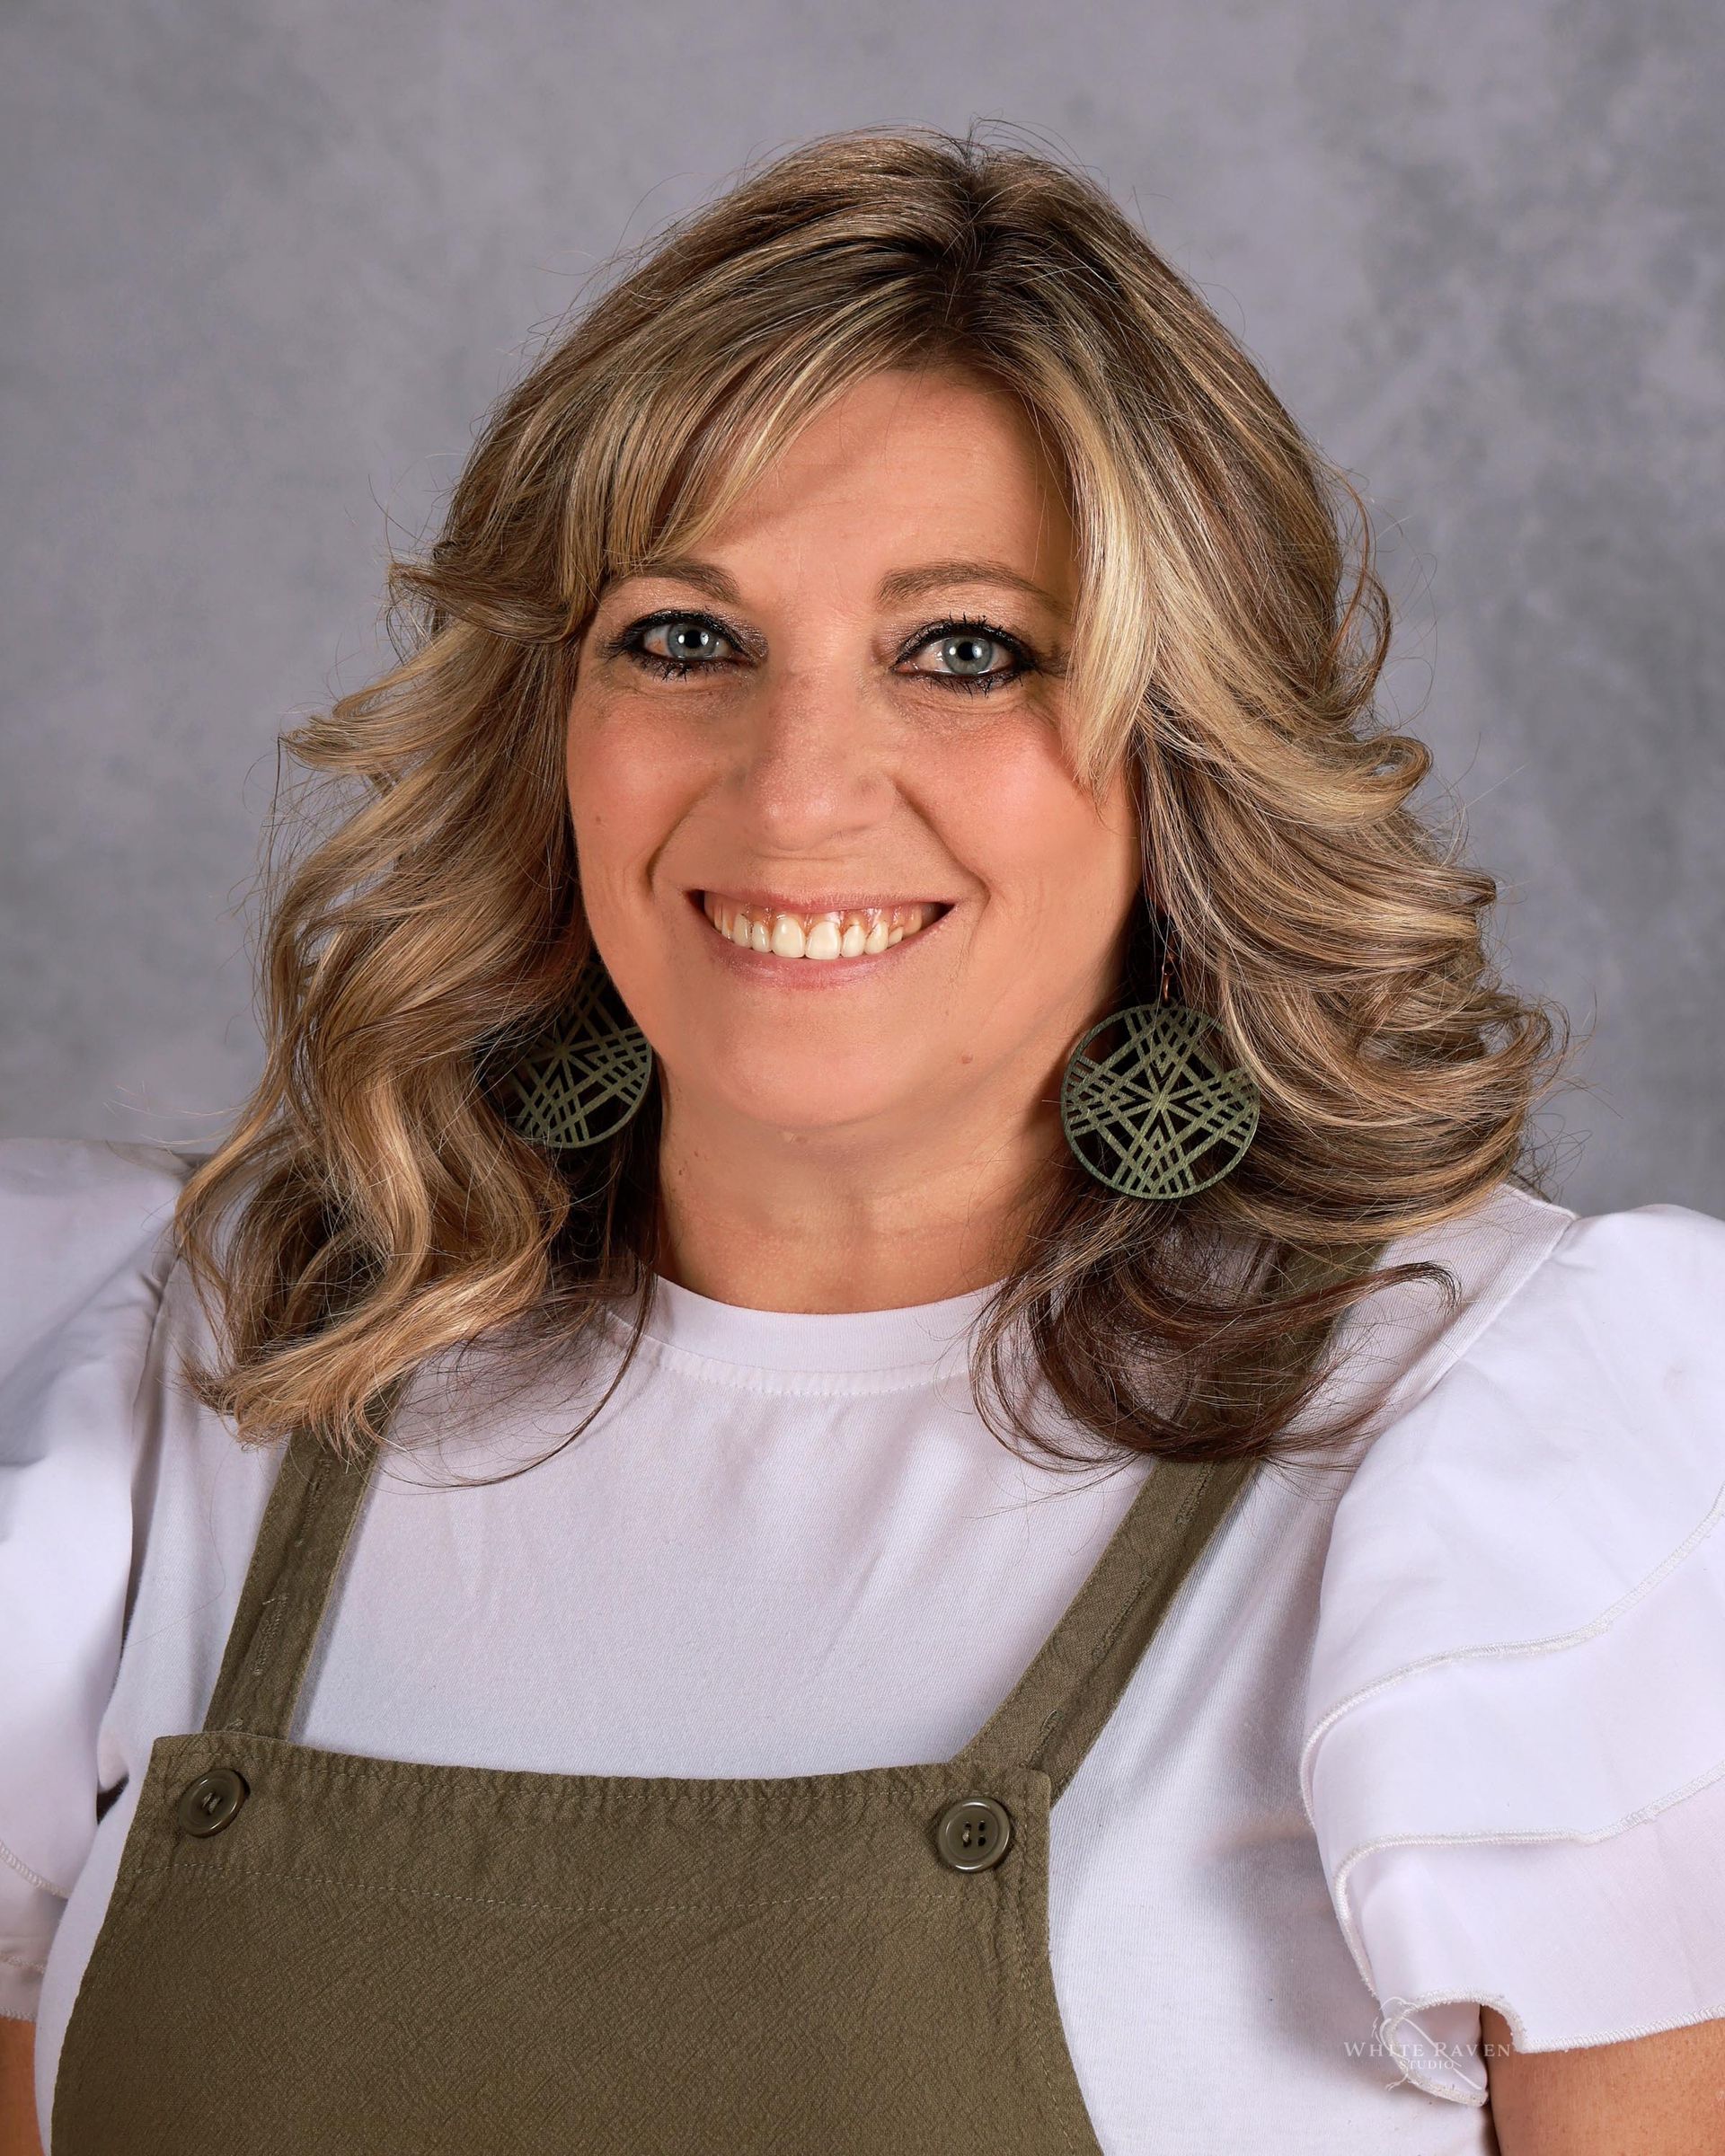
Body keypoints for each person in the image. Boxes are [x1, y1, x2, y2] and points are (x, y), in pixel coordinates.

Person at [3, 124, 1721, 2156]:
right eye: (683, 638)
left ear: (1184, 752)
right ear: (545, 726)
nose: (798, 791)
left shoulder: (1498, 1448)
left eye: (967, 653)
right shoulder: (211, 1373)